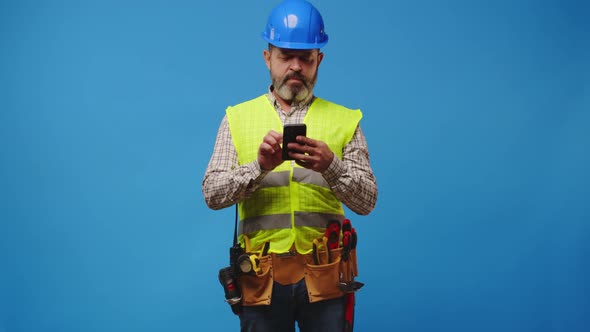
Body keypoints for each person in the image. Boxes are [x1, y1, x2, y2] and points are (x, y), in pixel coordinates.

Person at [202, 0, 377, 331]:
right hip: (260, 279)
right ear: (268, 58)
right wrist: (258, 167)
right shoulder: (236, 118)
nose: (296, 66)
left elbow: (367, 201)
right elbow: (212, 194)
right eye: (286, 56)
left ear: (318, 61)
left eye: (305, 58)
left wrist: (332, 166)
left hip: (326, 279)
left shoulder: (345, 120)